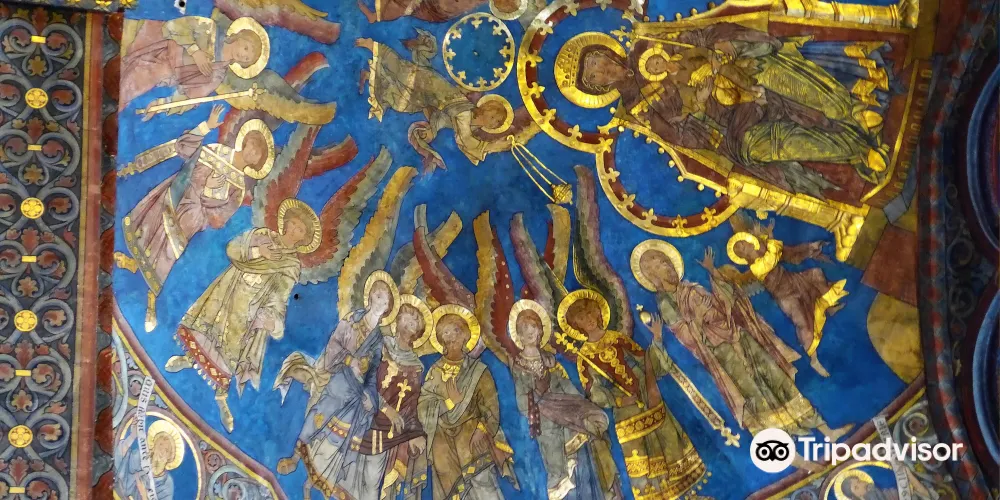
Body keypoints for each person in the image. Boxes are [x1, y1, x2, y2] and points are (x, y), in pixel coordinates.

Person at [558, 23, 894, 198]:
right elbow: (679, 136)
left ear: (606, 52)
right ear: (598, 88)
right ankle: (856, 150)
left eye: (598, 61)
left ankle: (852, 112)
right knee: (754, 147)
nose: (603, 69)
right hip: (728, 120)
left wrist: (722, 46)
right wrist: (699, 105)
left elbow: (699, 36)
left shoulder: (648, 45)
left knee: (764, 69)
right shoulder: (637, 106)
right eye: (595, 76)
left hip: (734, 71)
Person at [630, 240, 853, 451]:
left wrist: (713, 274)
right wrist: (701, 321)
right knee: (755, 395)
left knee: (777, 378)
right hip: (722, 352)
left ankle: (826, 430)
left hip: (738, 335)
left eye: (666, 261)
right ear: (652, 276)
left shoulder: (691, 287)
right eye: (660, 265)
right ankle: (784, 447)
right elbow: (687, 337)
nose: (667, 266)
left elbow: (725, 301)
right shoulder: (666, 303)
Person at [165, 199, 320, 433]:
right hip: (230, 287)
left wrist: (273, 321)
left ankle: (221, 397)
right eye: (294, 224)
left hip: (251, 306)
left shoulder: (291, 265)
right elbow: (232, 248)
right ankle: (188, 359)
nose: (294, 230)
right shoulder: (262, 235)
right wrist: (258, 251)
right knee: (208, 327)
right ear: (286, 222)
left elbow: (281, 295)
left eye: (301, 230)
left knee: (231, 349)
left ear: (303, 239)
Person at [115, 106, 275, 332]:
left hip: (193, 217)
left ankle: (151, 296)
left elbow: (220, 219)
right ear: (245, 141)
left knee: (168, 253)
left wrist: (210, 193)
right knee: (151, 232)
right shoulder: (216, 151)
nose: (252, 153)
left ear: (257, 163)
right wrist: (206, 126)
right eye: (253, 146)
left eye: (258, 154)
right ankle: (134, 265)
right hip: (178, 194)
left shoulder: (239, 188)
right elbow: (185, 151)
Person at [559, 290, 707, 499]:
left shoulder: (617, 338)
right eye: (582, 318)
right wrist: (618, 400)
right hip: (626, 412)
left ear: (599, 312)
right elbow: (594, 391)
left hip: (647, 397)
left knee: (671, 446)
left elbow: (646, 361)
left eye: (590, 313)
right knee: (645, 462)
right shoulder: (585, 357)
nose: (589, 320)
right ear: (577, 325)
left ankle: (691, 496)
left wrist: (657, 339)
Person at [274, 271, 400, 500]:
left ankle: (318, 484)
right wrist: (349, 360)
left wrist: (370, 397)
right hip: (341, 380)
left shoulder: (378, 340)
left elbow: (373, 373)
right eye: (378, 295)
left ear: (388, 308)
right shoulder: (352, 320)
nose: (380, 301)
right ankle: (294, 458)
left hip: (357, 395)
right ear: (370, 296)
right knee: (320, 414)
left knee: (339, 440)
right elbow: (334, 344)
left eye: (385, 300)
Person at [356, 33, 539, 172]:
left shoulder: (470, 122)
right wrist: (493, 146)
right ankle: (373, 45)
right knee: (402, 71)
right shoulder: (465, 114)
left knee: (401, 102)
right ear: (485, 107)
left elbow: (444, 120)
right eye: (494, 116)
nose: (493, 122)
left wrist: (433, 129)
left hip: (428, 99)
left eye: (496, 123)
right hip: (431, 84)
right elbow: (465, 139)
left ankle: (371, 74)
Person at [507, 301, 621, 500]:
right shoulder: (519, 367)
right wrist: (539, 398)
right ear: (519, 335)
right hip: (548, 426)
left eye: (533, 326)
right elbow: (522, 402)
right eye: (525, 328)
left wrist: (584, 407)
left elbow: (566, 387)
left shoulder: (549, 360)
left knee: (588, 446)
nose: (530, 331)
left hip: (568, 415)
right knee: (563, 475)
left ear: (540, 330)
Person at [418, 305, 518, 499]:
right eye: (446, 332)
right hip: (443, 444)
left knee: (483, 486)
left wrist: (482, 430)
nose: (452, 337)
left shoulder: (478, 370)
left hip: (472, 437)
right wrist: (449, 402)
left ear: (465, 335)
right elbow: (423, 409)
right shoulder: (435, 372)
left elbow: (490, 406)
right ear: (440, 338)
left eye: (456, 330)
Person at [724, 222, 848, 377]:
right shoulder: (756, 267)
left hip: (794, 280)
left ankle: (829, 307)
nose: (745, 245)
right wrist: (768, 237)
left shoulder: (765, 251)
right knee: (803, 324)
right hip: (786, 296)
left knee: (816, 274)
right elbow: (773, 256)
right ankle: (814, 359)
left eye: (743, 242)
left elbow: (787, 252)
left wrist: (811, 247)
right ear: (743, 256)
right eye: (741, 247)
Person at [344, 294, 433, 500]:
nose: (408, 323)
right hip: (363, 416)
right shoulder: (380, 344)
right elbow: (361, 376)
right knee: (348, 475)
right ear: (397, 318)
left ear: (418, 332)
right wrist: (384, 407)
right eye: (406, 316)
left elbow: (411, 406)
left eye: (414, 321)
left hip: (385, 432)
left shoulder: (416, 367)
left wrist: (415, 433)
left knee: (372, 483)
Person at [120, 15, 267, 111]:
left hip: (161, 74)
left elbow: (190, 97)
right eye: (246, 48)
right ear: (239, 36)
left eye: (246, 59)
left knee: (126, 91)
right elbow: (176, 26)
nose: (243, 55)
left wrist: (162, 104)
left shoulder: (218, 74)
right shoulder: (209, 29)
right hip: (158, 50)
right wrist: (195, 51)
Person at [114, 419, 185, 500]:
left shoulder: (166, 484)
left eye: (166, 450)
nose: (162, 451)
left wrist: (144, 496)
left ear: (170, 457)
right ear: (153, 445)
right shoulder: (140, 458)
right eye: (160, 444)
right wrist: (133, 435)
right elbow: (120, 457)